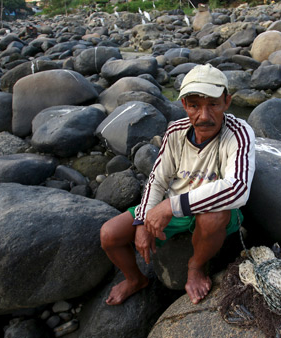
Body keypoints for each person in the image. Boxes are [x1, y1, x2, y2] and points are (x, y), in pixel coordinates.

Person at [100, 64, 256, 305]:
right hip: (174, 206)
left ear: (227, 102)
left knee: (213, 217)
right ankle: (135, 279)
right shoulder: (175, 131)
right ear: (184, 105)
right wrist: (143, 219)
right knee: (109, 234)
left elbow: (237, 189)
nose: (204, 116)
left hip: (209, 210)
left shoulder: (240, 133)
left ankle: (196, 267)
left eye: (213, 104)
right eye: (194, 105)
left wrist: (170, 207)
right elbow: (158, 179)